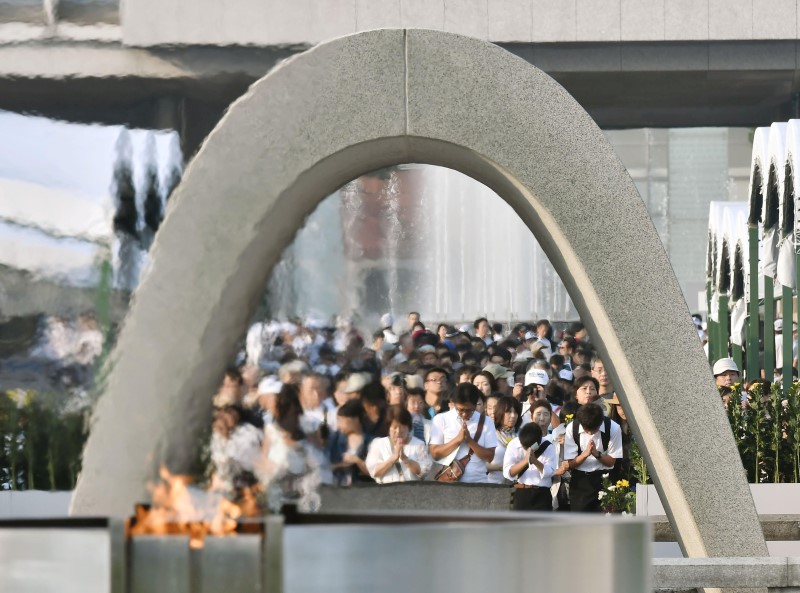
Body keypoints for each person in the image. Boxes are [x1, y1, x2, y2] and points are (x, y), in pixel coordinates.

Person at [429, 383, 498, 483]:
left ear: (476, 405)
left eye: (469, 410)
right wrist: (458, 440)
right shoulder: (441, 419)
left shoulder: (486, 422)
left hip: (478, 482)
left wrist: (470, 441)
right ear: (454, 403)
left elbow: (489, 457)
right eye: (460, 410)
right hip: (448, 483)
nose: (464, 414)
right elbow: (435, 453)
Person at [563, 403, 622, 512]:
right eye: (586, 430)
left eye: (593, 430)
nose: (590, 433)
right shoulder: (572, 428)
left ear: (600, 423)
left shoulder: (613, 427)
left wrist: (597, 454)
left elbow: (611, 462)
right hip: (580, 481)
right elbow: (570, 463)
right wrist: (585, 454)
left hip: (605, 479)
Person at [365, 406, 433, 483]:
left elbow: (424, 472)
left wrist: (405, 459)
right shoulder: (378, 444)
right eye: (394, 427)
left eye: (402, 427)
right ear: (388, 428)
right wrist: (393, 458)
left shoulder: (418, 445)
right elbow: (374, 472)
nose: (398, 431)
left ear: (409, 428)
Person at [503, 422, 558, 511]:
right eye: (524, 446)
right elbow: (507, 472)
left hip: (542, 494)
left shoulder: (548, 446)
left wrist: (535, 462)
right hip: (522, 491)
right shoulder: (514, 444)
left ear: (538, 443)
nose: (527, 449)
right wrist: (525, 461)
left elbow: (551, 471)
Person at [326, 400, 373, 486]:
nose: (339, 425)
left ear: (356, 419)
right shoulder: (334, 440)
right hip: (338, 488)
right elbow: (326, 465)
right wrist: (341, 465)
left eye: (342, 420)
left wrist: (357, 461)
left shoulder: (371, 442)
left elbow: (374, 472)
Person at [486, 396, 521, 484]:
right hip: (492, 484)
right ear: (500, 413)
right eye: (508, 412)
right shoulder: (489, 433)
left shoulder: (519, 435)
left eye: (516, 412)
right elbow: (477, 464)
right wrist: (500, 467)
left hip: (515, 486)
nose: (513, 416)